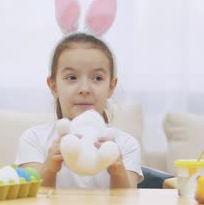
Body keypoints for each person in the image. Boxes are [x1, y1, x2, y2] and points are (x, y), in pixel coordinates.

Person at [14, 32, 144, 189]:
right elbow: (30, 201)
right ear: (53, 86)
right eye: (71, 77)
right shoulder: (34, 139)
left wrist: (117, 171)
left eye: (97, 78)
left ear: (111, 86)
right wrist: (50, 167)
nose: (84, 89)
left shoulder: (126, 144)